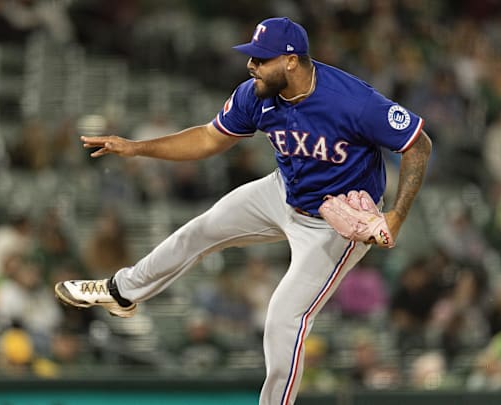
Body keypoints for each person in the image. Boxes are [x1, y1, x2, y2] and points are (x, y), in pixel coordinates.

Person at [55, 17, 432, 404]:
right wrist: (137, 147)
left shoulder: (353, 101)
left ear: (290, 61)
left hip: (334, 227)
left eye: (261, 59)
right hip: (282, 191)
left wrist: (396, 217)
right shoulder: (256, 94)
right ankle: (122, 291)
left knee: (283, 319)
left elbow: (418, 145)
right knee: (198, 231)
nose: (251, 65)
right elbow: (207, 138)